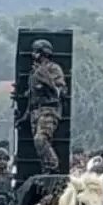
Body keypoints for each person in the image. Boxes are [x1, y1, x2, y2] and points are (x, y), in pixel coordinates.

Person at [26, 39, 67, 174]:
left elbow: (60, 91)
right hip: (35, 111)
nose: (34, 55)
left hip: (49, 109)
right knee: (39, 144)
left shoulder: (53, 69)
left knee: (41, 139)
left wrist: (44, 77)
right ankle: (46, 169)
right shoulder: (34, 72)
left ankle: (53, 167)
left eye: (36, 52)